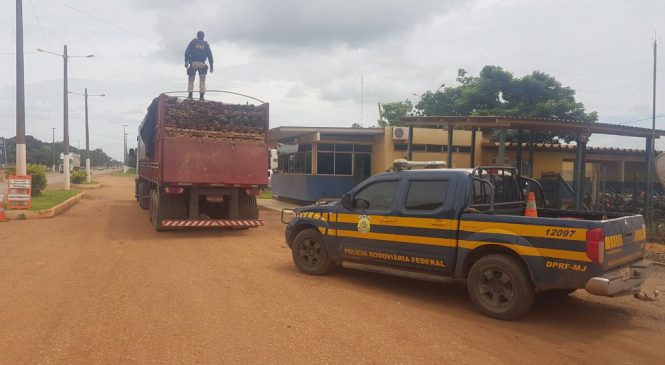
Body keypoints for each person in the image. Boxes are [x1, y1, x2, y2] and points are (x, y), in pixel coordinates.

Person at [184, 31, 214, 100]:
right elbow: (210, 56)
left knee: (191, 78)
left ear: (197, 36)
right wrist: (211, 66)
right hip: (202, 64)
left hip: (193, 63)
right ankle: (201, 97)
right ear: (203, 36)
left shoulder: (193, 42)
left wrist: (186, 61)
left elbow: (187, 52)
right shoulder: (206, 45)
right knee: (202, 79)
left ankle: (190, 95)